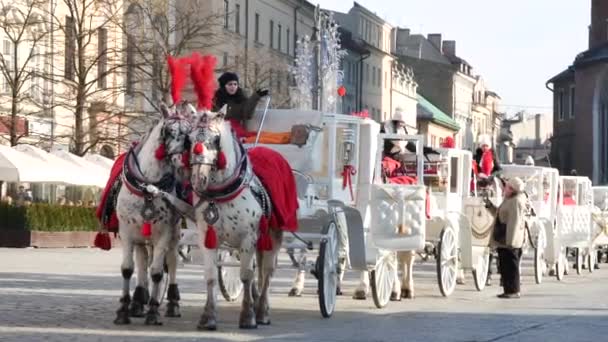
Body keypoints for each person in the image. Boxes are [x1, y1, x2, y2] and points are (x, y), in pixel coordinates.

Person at [485, 177, 527, 298]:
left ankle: (514, 291)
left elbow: (514, 222)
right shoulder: (509, 199)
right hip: (504, 238)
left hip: (509, 240)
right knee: (505, 266)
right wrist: (490, 206)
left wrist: (511, 242)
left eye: (508, 187)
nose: (505, 189)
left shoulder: (515, 201)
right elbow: (499, 214)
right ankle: (508, 290)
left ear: (513, 189)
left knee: (511, 267)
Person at [212, 72, 269, 139]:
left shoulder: (240, 98)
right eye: (230, 84)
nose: (233, 87)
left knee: (261, 136)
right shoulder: (216, 99)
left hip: (236, 129)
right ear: (223, 85)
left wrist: (256, 96)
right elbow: (211, 115)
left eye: (235, 84)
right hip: (219, 128)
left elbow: (247, 115)